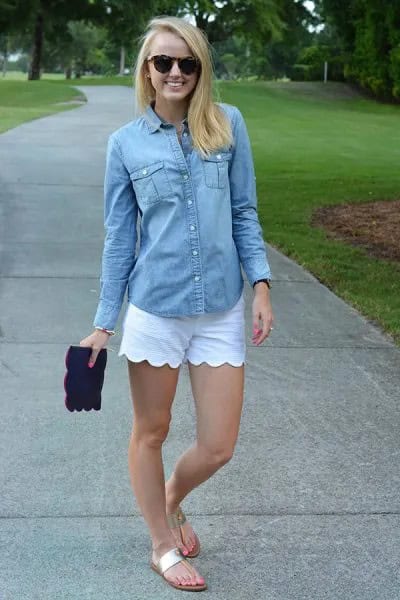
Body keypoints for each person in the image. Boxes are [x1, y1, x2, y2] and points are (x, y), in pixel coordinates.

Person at [80, 15, 274, 592]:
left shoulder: (228, 125)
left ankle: (169, 499)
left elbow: (244, 212)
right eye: (163, 61)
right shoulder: (125, 144)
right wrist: (102, 324)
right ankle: (161, 546)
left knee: (218, 446)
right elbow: (121, 239)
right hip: (155, 311)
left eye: (187, 63)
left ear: (200, 70)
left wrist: (260, 285)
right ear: (147, 69)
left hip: (218, 309)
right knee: (152, 431)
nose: (175, 72)